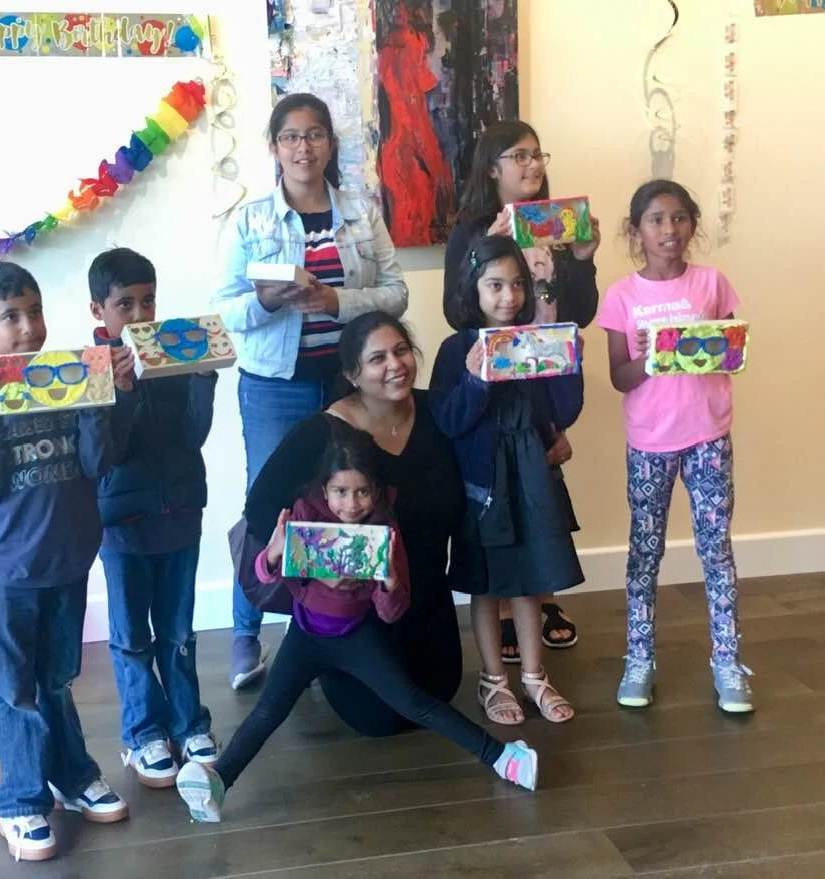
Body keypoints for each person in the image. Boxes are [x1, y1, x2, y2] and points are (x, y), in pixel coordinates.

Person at [176, 423, 538, 822]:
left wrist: (389, 584)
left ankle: (503, 757)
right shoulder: (303, 513)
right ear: (325, 488)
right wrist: (275, 553)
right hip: (306, 635)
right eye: (341, 491)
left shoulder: (385, 529)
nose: (351, 504)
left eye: (362, 492)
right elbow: (265, 576)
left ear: (376, 490)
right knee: (267, 713)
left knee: (415, 702)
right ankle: (218, 782)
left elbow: (391, 610)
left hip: (357, 637)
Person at [213, 92, 408, 690]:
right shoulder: (249, 220)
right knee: (267, 502)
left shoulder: (361, 213)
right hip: (275, 385)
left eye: (316, 134)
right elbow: (225, 311)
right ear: (274, 147)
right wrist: (266, 301)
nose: (304, 147)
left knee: (354, 499)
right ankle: (246, 632)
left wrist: (336, 301)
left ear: (330, 143)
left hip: (348, 384)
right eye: (292, 136)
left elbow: (397, 292)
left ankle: (341, 623)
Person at [0, 262, 132, 863]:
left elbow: (98, 463)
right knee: (16, 691)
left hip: (69, 561)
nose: (29, 328)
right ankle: (20, 800)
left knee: (57, 679)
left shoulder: (69, 387)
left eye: (35, 312)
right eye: (11, 317)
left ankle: (71, 775)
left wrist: (97, 399)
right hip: (12, 572)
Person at [242, 311, 465, 736]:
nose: (395, 365)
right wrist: (319, 564)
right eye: (378, 358)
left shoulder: (436, 410)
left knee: (440, 691)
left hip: (429, 598)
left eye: (401, 351)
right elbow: (261, 508)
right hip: (358, 611)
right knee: (376, 719)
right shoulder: (324, 430)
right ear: (352, 374)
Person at [443, 120, 600, 661]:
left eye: (537, 154)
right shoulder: (472, 229)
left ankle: (542, 595)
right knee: (502, 490)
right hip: (496, 376)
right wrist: (492, 244)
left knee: (542, 487)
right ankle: (508, 608)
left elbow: (581, 312)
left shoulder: (557, 224)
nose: (533, 165)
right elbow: (456, 311)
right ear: (492, 168)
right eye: (519, 156)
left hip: (548, 373)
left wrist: (583, 258)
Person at [596, 179, 754, 714]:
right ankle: (639, 658)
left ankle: (728, 660)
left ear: (693, 224)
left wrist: (709, 342)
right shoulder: (621, 296)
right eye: (657, 219)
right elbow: (619, 378)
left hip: (708, 435)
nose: (670, 229)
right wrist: (647, 358)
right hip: (650, 443)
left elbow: (731, 353)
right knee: (645, 551)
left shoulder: (712, 283)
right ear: (635, 230)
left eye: (680, 217)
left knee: (716, 549)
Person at [431, 235, 583, 726]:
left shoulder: (536, 339)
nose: (508, 296)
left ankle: (535, 676)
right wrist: (475, 381)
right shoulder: (456, 349)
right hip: (482, 486)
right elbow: (447, 421)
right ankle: (493, 678)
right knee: (486, 584)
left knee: (530, 578)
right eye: (495, 285)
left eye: (518, 285)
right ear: (472, 289)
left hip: (532, 479)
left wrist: (567, 360)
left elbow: (563, 411)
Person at [88, 247, 219, 786]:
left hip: (181, 513)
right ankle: (143, 732)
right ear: (99, 311)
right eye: (125, 304)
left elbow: (193, 436)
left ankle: (190, 724)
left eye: (148, 302)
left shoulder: (171, 354)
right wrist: (120, 394)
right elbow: (104, 456)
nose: (140, 315)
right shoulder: (88, 370)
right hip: (122, 524)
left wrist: (203, 377)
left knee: (178, 630)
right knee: (131, 637)